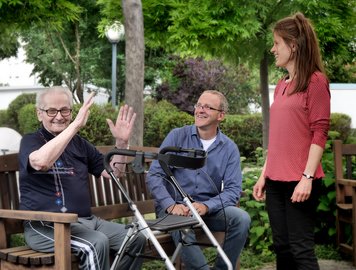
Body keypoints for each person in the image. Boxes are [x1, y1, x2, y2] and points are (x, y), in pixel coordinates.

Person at [19, 86, 146, 270]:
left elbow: (113, 172)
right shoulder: (31, 141)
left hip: (86, 222)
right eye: (51, 111)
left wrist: (121, 143)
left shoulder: (80, 144)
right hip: (47, 227)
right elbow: (41, 162)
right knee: (96, 243)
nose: (59, 116)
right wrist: (75, 126)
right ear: (39, 114)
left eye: (65, 110)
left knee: (135, 238)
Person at [252, 12, 330, 270]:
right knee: (282, 248)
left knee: (301, 250)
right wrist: (264, 173)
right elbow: (279, 137)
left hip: (301, 181)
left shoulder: (315, 81)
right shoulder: (282, 84)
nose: (273, 49)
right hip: (275, 181)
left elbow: (320, 132)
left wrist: (306, 178)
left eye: (277, 43)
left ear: (293, 45)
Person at [146, 90, 251, 270]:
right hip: (175, 208)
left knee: (241, 219)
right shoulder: (177, 136)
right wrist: (170, 205)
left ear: (221, 116)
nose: (200, 110)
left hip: (207, 210)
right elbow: (155, 174)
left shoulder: (229, 148)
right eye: (199, 105)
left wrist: (207, 206)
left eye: (208, 107)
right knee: (182, 225)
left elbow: (233, 190)